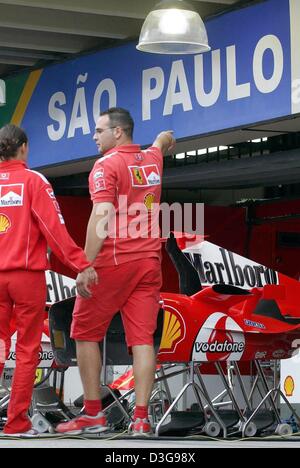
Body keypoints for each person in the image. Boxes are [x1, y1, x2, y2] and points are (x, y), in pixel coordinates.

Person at [56, 108, 175, 436]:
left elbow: (102, 214)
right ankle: (140, 419)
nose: (94, 136)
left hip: (113, 262)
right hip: (149, 263)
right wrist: (165, 139)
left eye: (99, 130)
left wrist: (84, 264)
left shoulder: (105, 166)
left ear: (118, 132)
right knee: (142, 342)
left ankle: (93, 414)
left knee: (83, 333)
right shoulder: (152, 160)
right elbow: (162, 142)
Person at [0, 124, 98, 436]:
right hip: (26, 278)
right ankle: (16, 423)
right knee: (28, 349)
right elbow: (54, 230)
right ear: (24, 148)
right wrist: (82, 265)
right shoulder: (33, 181)